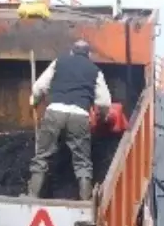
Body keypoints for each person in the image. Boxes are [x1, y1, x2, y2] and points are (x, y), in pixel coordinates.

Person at [28, 39, 112, 201]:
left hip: (54, 112)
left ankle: (32, 196)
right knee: (82, 161)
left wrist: (36, 100)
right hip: (80, 116)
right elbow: (104, 102)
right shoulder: (95, 70)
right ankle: (85, 200)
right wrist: (102, 117)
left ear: (72, 52)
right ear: (89, 54)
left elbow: (39, 87)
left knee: (42, 155)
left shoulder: (59, 62)